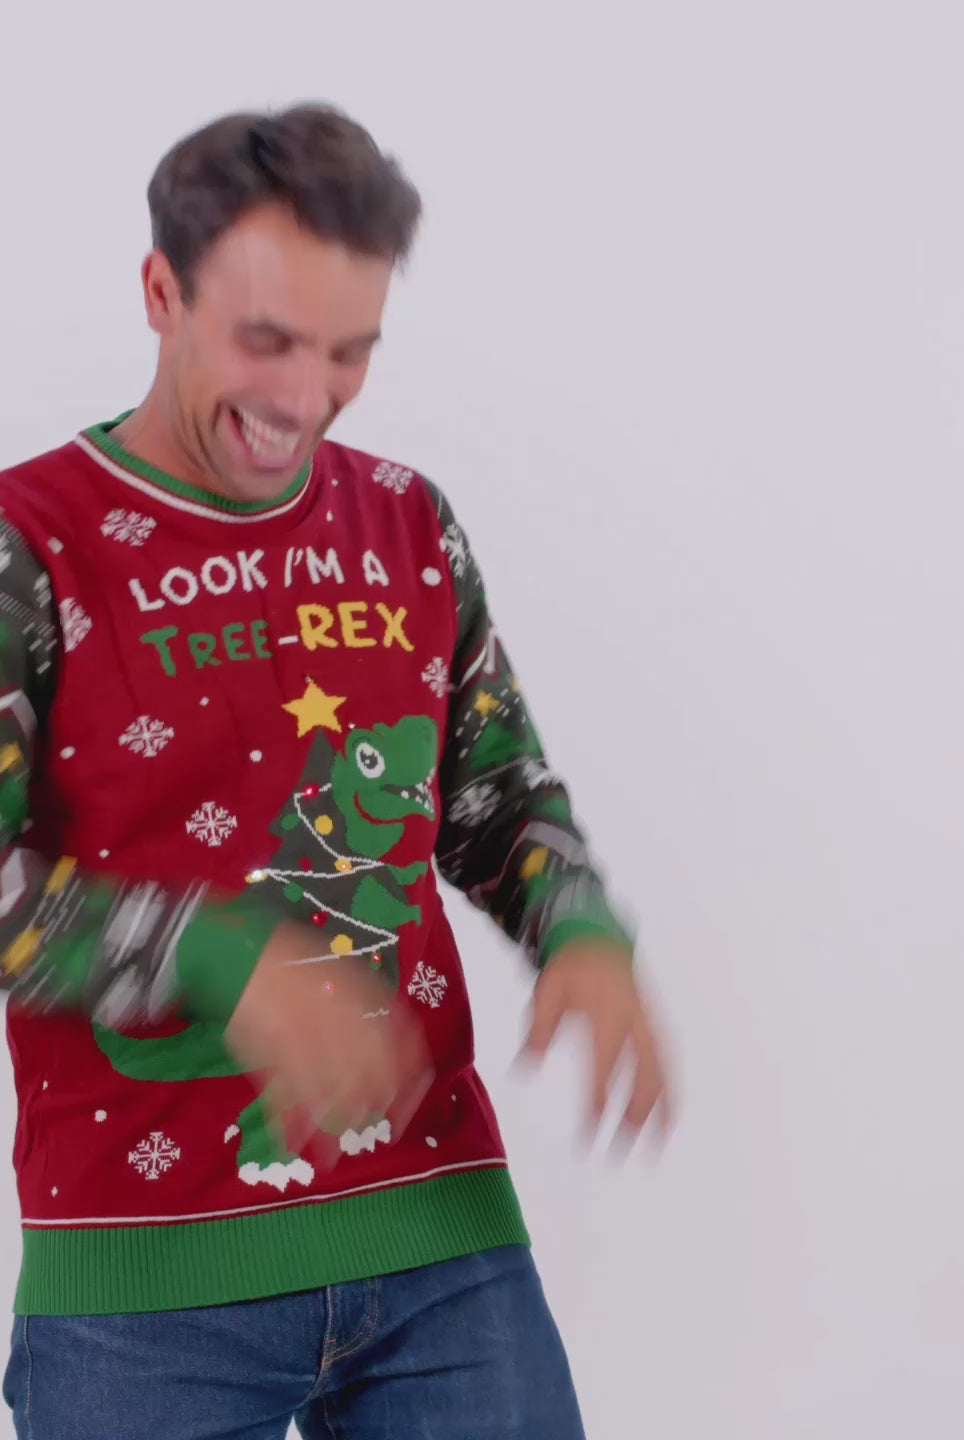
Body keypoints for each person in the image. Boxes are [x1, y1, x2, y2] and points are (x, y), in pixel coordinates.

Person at [0, 104, 669, 1439]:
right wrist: (214, 954)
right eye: (268, 340)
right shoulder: (29, 538)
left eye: (350, 349)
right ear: (161, 293)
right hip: (144, 1288)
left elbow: (496, 793)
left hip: (439, 1238)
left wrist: (580, 927)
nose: (307, 398)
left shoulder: (406, 519)